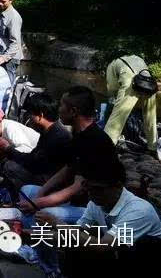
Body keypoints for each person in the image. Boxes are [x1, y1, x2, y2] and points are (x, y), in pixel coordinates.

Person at [32, 159, 161, 274]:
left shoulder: (138, 211)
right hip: (117, 250)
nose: (92, 194)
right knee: (74, 246)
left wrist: (57, 223)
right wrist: (38, 235)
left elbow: (102, 246)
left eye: (98, 189)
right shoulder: (96, 202)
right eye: (88, 189)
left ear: (118, 186)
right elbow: (78, 232)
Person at [18, 86, 121, 225]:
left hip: (94, 209)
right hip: (72, 200)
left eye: (61, 104)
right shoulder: (78, 135)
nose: (58, 109)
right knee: (28, 191)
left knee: (45, 214)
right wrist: (40, 194)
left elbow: (78, 186)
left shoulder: (94, 141)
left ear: (73, 111)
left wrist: (39, 203)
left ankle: (34, 242)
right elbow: (68, 169)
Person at [0, 93, 71, 189]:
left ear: (40, 116)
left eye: (30, 114)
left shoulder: (57, 136)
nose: (29, 118)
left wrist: (8, 149)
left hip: (51, 182)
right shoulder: (49, 131)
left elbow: (33, 163)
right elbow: (33, 157)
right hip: (43, 173)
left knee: (10, 166)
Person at [102, 55, 158, 155]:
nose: (141, 97)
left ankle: (152, 147)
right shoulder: (128, 83)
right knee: (119, 112)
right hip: (124, 72)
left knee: (150, 114)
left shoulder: (151, 87)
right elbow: (112, 93)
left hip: (141, 75)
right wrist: (116, 101)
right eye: (140, 94)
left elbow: (151, 118)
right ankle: (107, 145)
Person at [0, 0, 23, 83]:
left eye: (3, 1)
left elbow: (15, 42)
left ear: (11, 0)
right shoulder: (3, 14)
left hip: (10, 59)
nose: (0, 4)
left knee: (8, 87)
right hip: (3, 57)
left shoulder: (13, 17)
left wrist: (4, 58)